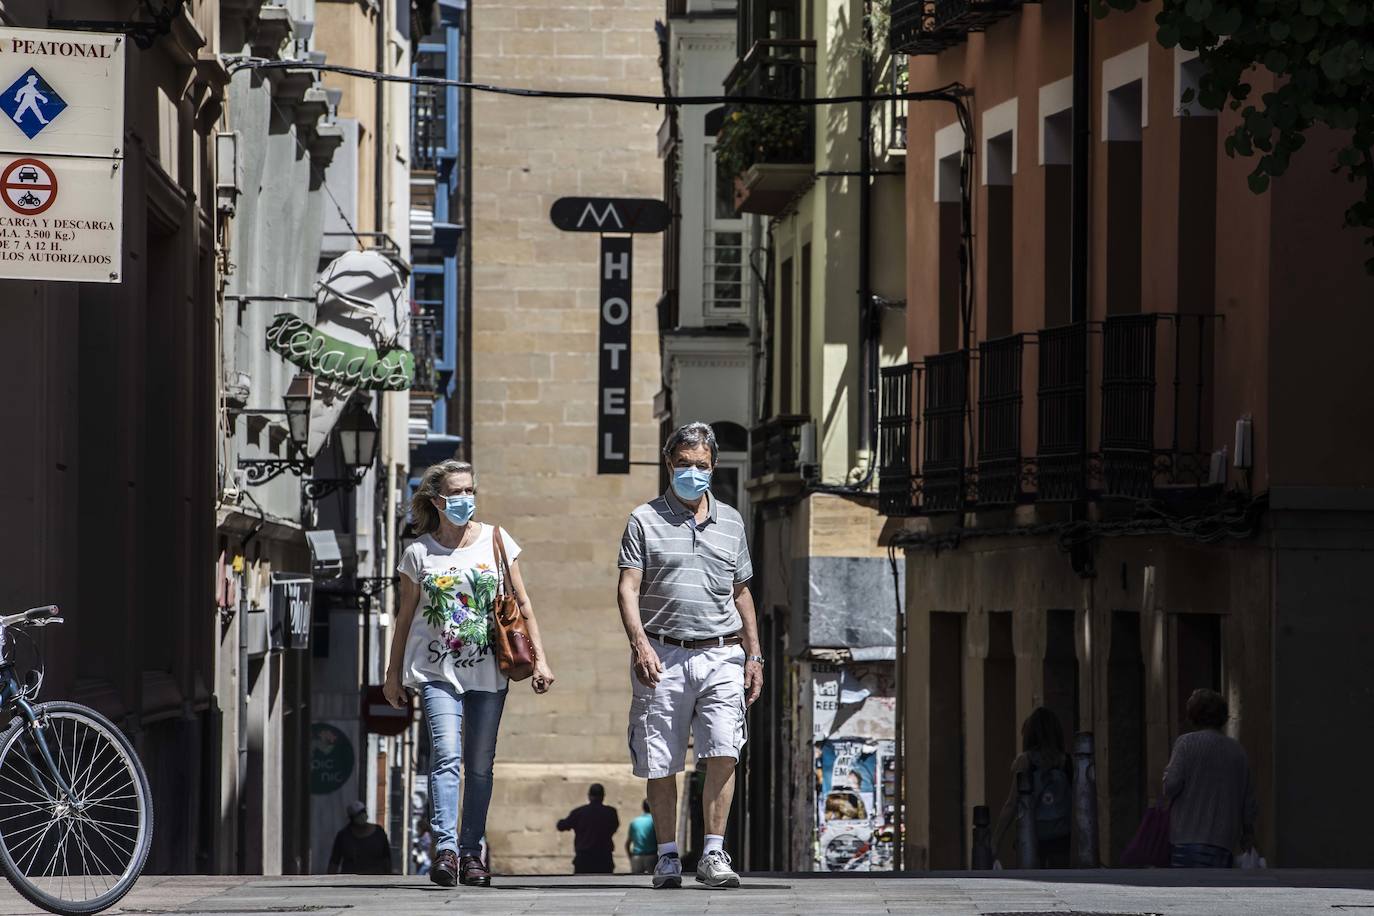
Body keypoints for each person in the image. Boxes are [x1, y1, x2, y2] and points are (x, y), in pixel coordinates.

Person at [383, 460, 557, 889]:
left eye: (470, 492)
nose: (465, 500)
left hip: (489, 671)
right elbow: (404, 619)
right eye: (456, 493)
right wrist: (392, 674)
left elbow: (524, 604)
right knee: (446, 756)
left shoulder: (497, 541)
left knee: (480, 766)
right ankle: (444, 848)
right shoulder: (418, 553)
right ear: (436, 501)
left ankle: (470, 851)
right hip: (436, 671)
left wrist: (541, 659)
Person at [617, 421, 763, 889]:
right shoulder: (644, 519)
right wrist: (639, 643)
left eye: (701, 465)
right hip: (662, 652)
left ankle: (713, 854)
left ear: (714, 467)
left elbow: (741, 593)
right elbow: (627, 587)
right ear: (668, 463)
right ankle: (665, 857)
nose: (692, 473)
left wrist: (754, 655)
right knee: (662, 758)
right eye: (683, 464)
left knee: (724, 749)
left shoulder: (733, 522)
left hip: (722, 653)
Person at [1163, 688, 1258, 868]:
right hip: (1223, 842)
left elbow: (1170, 786)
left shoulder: (1185, 744)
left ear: (1192, 715)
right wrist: (1248, 834)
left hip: (1186, 837)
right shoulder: (1237, 750)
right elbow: (1249, 801)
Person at [991, 707, 1073, 867]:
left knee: (1032, 877)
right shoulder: (1067, 762)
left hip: (1033, 836)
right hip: (1063, 838)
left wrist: (995, 842)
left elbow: (1011, 804)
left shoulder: (1025, 761)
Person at [556, 784, 621, 874]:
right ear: (603, 796)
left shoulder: (579, 812)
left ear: (589, 796)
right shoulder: (611, 813)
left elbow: (561, 826)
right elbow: (614, 827)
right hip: (604, 857)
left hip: (584, 858)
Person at [327, 801, 393, 874]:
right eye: (358, 815)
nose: (361, 816)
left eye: (363, 812)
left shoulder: (378, 832)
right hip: (351, 879)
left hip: (375, 878)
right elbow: (334, 861)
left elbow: (386, 858)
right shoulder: (344, 836)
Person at [625, 799, 658, 874]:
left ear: (643, 807)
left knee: (636, 882)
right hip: (652, 857)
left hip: (637, 857)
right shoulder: (655, 822)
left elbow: (627, 844)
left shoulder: (635, 822)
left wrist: (631, 857)